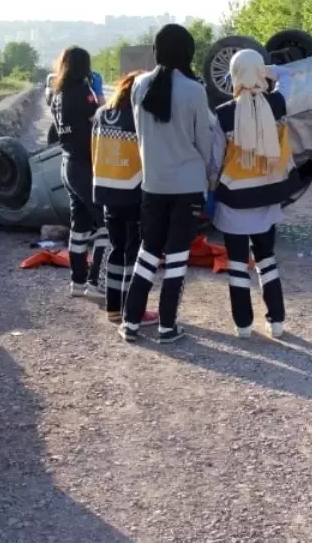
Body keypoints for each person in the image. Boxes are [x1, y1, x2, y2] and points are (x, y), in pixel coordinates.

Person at [121, 24, 217, 344]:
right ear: (187, 52)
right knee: (176, 256)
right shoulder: (193, 89)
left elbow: (139, 134)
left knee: (148, 252)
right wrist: (212, 173)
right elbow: (204, 141)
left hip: (153, 183)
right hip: (187, 184)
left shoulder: (138, 85)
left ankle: (131, 322)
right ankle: (166, 327)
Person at [211, 50, 292, 338]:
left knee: (236, 263)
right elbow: (288, 77)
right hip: (268, 195)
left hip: (234, 198)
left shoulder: (223, 114)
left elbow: (214, 160)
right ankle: (277, 321)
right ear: (259, 72)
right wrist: (268, 70)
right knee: (266, 259)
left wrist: (211, 189)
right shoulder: (278, 103)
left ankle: (243, 325)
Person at [90, 72, 160, 327]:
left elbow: (94, 152)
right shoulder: (140, 118)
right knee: (135, 253)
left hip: (106, 191)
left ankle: (113, 308)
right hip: (133, 192)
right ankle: (134, 310)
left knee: (116, 249)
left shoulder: (101, 115)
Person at [49, 47, 108, 298]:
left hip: (67, 164)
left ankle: (78, 281)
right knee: (106, 221)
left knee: (80, 225)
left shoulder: (57, 95)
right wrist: (98, 93)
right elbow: (104, 118)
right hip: (84, 166)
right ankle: (96, 281)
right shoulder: (83, 92)